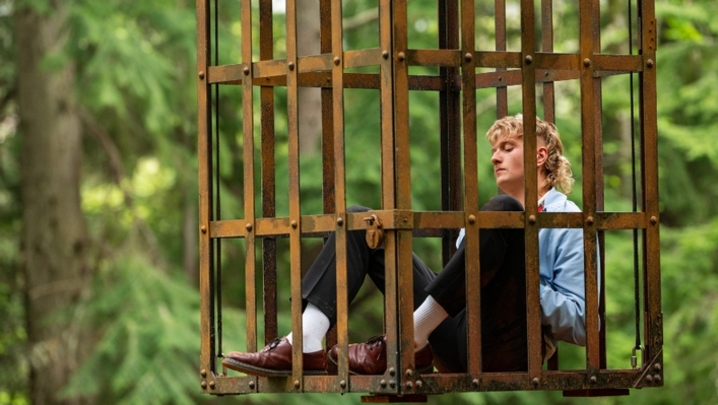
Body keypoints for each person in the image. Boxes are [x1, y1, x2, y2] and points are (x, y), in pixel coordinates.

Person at [222, 114, 587, 376]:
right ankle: (304, 341)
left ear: (540, 157)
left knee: (501, 212)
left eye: (508, 148)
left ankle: (403, 338)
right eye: (495, 149)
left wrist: (516, 283)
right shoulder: (485, 219)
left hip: (507, 348)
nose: (495, 157)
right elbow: (456, 292)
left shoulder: (568, 220)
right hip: (451, 338)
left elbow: (583, 323)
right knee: (360, 220)